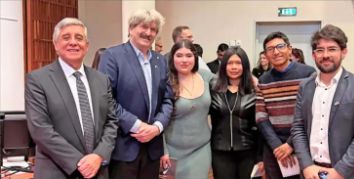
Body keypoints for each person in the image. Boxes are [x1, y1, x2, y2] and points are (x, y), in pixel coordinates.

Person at [25, 17, 118, 179]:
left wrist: (99, 155)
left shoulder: (101, 80)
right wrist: (79, 162)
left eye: (79, 38)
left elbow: (111, 122)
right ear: (56, 45)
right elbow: (40, 129)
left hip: (98, 171)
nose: (73, 42)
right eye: (66, 38)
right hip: (57, 171)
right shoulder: (38, 80)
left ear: (87, 46)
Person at [291, 24, 354, 179]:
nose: (325, 55)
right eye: (320, 50)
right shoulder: (305, 87)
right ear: (313, 54)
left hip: (349, 173)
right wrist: (306, 165)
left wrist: (339, 172)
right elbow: (298, 128)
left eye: (332, 49)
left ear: (344, 52)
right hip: (312, 172)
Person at [98, 9, 173, 179]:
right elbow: (106, 98)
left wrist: (157, 127)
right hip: (124, 147)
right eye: (144, 27)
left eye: (153, 30)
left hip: (153, 148)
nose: (148, 33)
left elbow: (168, 99)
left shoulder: (160, 61)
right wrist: (137, 125)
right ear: (131, 28)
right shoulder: (112, 56)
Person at [256, 31, 315, 179]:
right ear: (266, 54)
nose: (276, 52)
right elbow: (261, 117)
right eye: (270, 49)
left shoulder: (308, 74)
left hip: (303, 143)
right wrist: (277, 145)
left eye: (280, 46)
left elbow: (312, 113)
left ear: (289, 49)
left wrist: (290, 144)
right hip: (273, 147)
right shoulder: (263, 79)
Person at [161, 39, 214, 179]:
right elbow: (157, 119)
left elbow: (231, 78)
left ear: (195, 58)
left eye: (189, 55)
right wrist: (163, 151)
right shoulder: (164, 82)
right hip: (171, 152)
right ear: (172, 58)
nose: (184, 60)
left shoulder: (206, 76)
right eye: (179, 55)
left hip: (201, 149)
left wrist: (253, 79)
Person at [210, 46, 258, 179]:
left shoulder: (254, 90)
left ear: (245, 66)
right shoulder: (213, 88)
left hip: (248, 151)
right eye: (230, 63)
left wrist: (260, 156)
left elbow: (260, 125)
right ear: (224, 65)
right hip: (220, 151)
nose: (234, 67)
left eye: (238, 63)